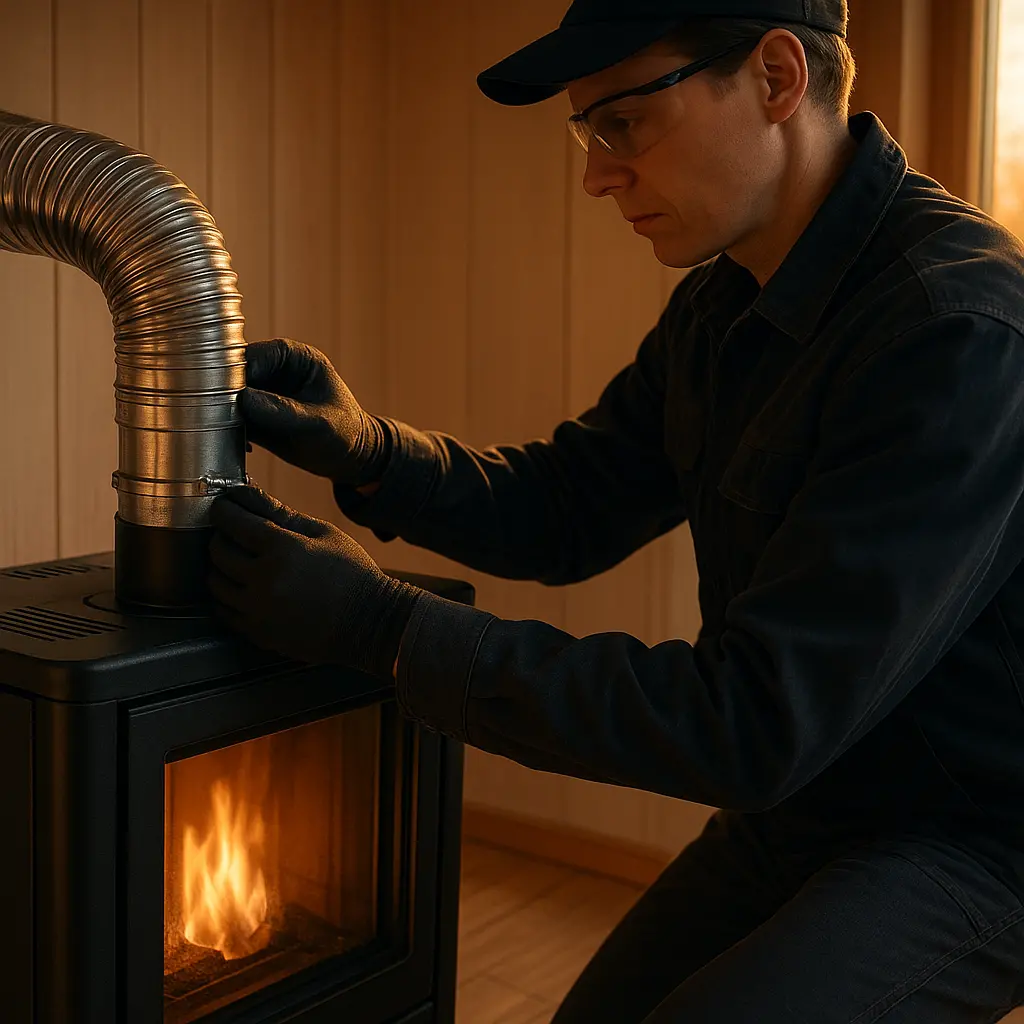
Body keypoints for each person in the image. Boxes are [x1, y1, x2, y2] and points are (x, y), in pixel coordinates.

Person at [205, 0, 1024, 1019]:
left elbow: (753, 719)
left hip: (972, 835)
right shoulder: (726, 299)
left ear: (777, 78)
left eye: (623, 123)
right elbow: (569, 506)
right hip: (802, 801)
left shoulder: (953, 327)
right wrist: (375, 452)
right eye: (585, 131)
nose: (595, 173)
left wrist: (385, 629)